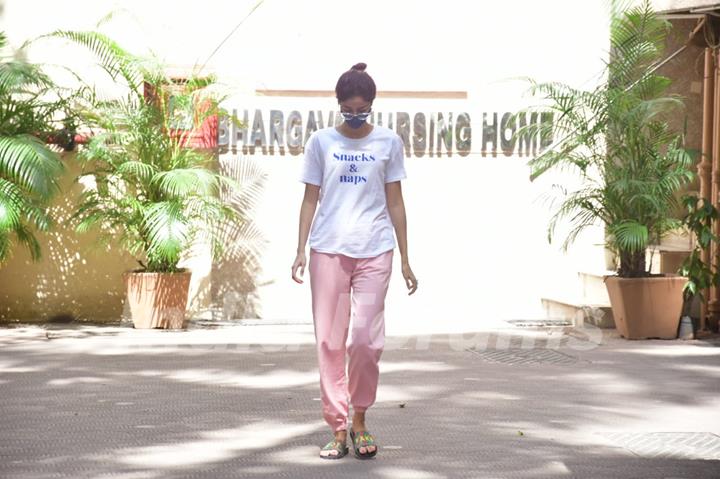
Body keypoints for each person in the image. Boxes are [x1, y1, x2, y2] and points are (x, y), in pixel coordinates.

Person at [291, 62, 418, 460]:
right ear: (339, 105)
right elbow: (310, 198)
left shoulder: (388, 142)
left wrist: (406, 258)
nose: (356, 117)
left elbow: (395, 200)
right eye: (349, 110)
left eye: (363, 110)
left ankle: (360, 416)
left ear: (373, 106)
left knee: (365, 341)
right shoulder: (320, 142)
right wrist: (299, 250)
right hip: (327, 249)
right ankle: (339, 427)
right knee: (330, 341)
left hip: (376, 248)